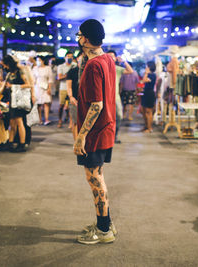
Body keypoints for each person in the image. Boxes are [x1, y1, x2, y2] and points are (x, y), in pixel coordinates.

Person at [74, 19, 117, 244]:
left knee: (94, 179)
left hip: (95, 132)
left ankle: (103, 231)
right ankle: (105, 223)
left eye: (79, 35)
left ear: (87, 38)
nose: (78, 39)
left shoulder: (93, 66)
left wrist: (81, 135)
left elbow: (96, 104)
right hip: (106, 129)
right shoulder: (107, 58)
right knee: (98, 177)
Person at [0, 55, 31, 152]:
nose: (4, 67)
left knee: (19, 121)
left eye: (5, 65)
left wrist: (13, 86)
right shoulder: (9, 75)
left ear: (9, 64)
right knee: (12, 122)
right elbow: (2, 88)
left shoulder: (20, 72)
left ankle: (22, 143)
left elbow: (29, 85)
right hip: (12, 100)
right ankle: (10, 142)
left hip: (19, 100)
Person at [107, 50, 133, 144]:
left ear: (115, 58)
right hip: (104, 98)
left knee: (119, 116)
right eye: (108, 56)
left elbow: (130, 71)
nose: (110, 58)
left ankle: (114, 136)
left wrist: (123, 61)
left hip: (115, 97)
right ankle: (106, 138)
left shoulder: (117, 69)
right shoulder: (102, 68)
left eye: (112, 56)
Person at [57, 51, 76, 128]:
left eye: (71, 56)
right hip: (63, 88)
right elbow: (59, 77)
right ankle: (60, 120)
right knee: (61, 105)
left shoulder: (74, 65)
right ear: (65, 57)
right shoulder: (61, 66)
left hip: (72, 88)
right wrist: (68, 75)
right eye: (68, 56)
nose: (69, 58)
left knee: (71, 105)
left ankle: (71, 122)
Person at [33, 56, 54, 125]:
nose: (38, 62)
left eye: (39, 60)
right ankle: (39, 119)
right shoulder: (35, 68)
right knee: (38, 104)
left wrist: (49, 88)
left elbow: (50, 79)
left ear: (43, 61)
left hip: (45, 87)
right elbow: (33, 79)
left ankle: (46, 119)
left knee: (46, 103)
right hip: (37, 87)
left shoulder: (48, 68)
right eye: (37, 60)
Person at [66, 53, 81, 140]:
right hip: (74, 100)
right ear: (77, 59)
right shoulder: (72, 71)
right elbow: (69, 86)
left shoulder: (90, 71)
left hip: (87, 101)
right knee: (75, 122)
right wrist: (71, 97)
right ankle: (76, 142)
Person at [141, 61, 157, 133]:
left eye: (147, 66)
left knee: (149, 111)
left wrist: (146, 73)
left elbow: (144, 80)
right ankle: (146, 126)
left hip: (150, 94)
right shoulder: (149, 74)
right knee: (143, 110)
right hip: (146, 93)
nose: (146, 67)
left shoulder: (152, 75)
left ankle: (150, 128)